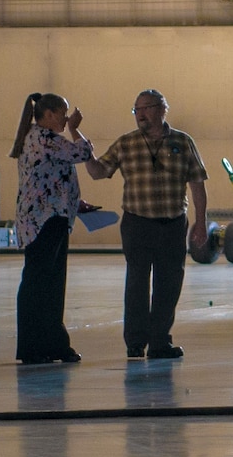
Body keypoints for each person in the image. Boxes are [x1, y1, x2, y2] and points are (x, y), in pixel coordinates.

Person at [86, 89, 209, 359]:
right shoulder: (126, 143)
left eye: (146, 108)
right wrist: (84, 150)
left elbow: (197, 184)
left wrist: (201, 223)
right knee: (137, 283)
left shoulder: (182, 142)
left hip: (173, 223)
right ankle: (135, 342)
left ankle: (159, 342)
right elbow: (98, 172)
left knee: (169, 283)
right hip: (138, 224)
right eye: (136, 110)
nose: (140, 114)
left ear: (162, 109)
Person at [11, 92, 97, 364]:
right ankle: (39, 345)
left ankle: (47, 344)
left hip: (48, 218)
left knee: (46, 283)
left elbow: (51, 177)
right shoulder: (44, 139)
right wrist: (76, 129)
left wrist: (73, 201)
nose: (66, 118)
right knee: (42, 284)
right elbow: (83, 152)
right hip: (44, 221)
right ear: (48, 115)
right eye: (63, 113)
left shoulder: (37, 139)